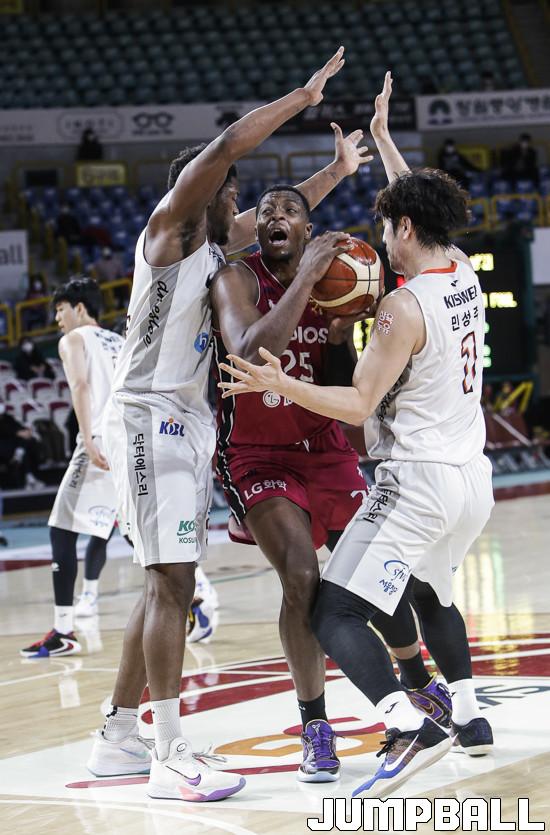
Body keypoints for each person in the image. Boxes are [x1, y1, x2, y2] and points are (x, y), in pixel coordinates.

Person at [88, 47, 372, 803]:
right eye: (235, 196)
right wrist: (301, 97)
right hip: (149, 417)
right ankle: (168, 754)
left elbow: (284, 216)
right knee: (172, 583)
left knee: (163, 582)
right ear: (206, 189)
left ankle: (119, 734)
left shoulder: (212, 244)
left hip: (185, 423)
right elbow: (223, 148)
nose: (246, 210)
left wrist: (336, 173)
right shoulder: (170, 228)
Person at [218, 71, 495, 799]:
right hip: (473, 479)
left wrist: (279, 383)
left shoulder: (403, 307)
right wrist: (382, 141)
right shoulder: (463, 271)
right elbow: (416, 208)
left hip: (417, 477)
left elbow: (359, 401)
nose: (384, 238)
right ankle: (468, 711)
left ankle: (406, 721)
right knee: (426, 588)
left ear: (403, 232)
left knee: (334, 608)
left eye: (390, 227)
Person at [211, 179, 374, 781]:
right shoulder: (236, 277)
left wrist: (339, 337)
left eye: (290, 210)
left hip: (324, 447)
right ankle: (315, 726)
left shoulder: (334, 286)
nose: (276, 215)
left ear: (307, 228)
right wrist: (306, 278)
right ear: (258, 228)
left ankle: (420, 687)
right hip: (258, 453)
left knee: (377, 568)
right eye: (266, 210)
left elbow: (340, 382)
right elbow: (250, 352)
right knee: (302, 577)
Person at [20, 278, 124, 658]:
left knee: (60, 528)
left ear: (79, 308)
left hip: (99, 441)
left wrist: (88, 438)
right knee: (131, 531)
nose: (57, 319)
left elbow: (80, 385)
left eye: (60, 309)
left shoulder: (74, 339)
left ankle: (63, 630)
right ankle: (194, 599)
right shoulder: (120, 341)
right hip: (130, 443)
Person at [0, 404, 44, 489]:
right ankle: (29, 477)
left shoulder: (7, 417)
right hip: (3, 446)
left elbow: (17, 426)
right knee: (23, 447)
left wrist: (26, 431)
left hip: (13, 444)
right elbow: (5, 431)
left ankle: (20, 455)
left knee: (27, 443)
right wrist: (17, 433)